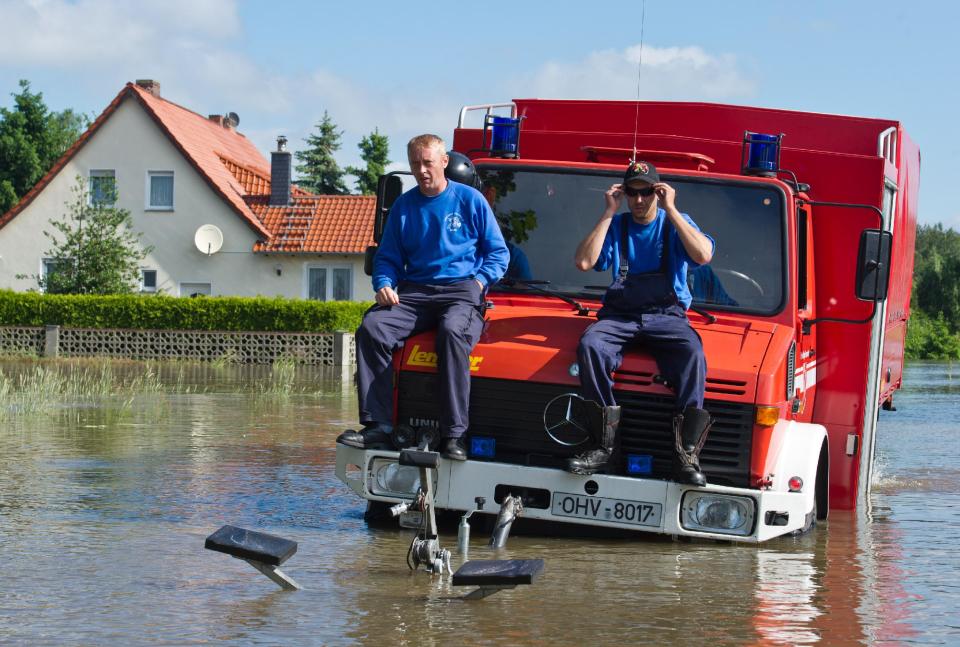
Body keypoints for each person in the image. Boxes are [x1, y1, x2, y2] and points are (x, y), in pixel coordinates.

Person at [336, 135, 509, 460]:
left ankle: (454, 435)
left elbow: (498, 254)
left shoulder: (470, 201)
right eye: (415, 164)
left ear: (444, 161)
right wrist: (384, 281)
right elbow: (387, 256)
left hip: (461, 291)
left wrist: (479, 282)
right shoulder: (404, 206)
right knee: (372, 328)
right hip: (415, 293)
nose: (422, 170)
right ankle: (380, 428)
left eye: (428, 162)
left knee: (452, 331)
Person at [568, 161, 715, 486]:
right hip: (620, 316)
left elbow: (703, 255)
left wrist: (672, 209)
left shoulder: (675, 222)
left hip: (667, 315)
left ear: (658, 191)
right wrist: (608, 212)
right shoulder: (617, 225)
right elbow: (583, 261)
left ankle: (686, 455)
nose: (638, 200)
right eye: (632, 192)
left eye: (646, 192)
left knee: (693, 354)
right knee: (591, 346)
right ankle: (603, 446)